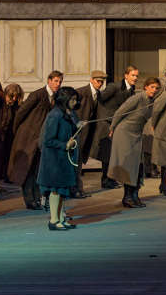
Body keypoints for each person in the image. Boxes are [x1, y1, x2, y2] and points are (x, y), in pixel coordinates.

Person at [8, 71, 62, 210]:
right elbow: (21, 113)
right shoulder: (37, 95)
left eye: (60, 81)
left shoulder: (56, 97)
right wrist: (19, 132)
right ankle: (30, 200)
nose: (58, 84)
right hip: (28, 137)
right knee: (27, 169)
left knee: (38, 169)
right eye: (55, 81)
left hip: (42, 138)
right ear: (49, 81)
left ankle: (37, 198)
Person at [108, 76, 161, 208]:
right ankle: (127, 197)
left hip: (136, 134)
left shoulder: (152, 101)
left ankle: (134, 195)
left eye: (156, 88)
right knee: (129, 165)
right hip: (125, 132)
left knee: (138, 165)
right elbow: (120, 112)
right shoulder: (137, 98)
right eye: (152, 87)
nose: (154, 90)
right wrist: (112, 128)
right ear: (146, 87)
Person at [37, 87, 81, 231]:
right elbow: (48, 140)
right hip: (53, 160)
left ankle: (61, 217)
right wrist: (65, 145)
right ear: (65, 100)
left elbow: (70, 131)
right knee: (55, 190)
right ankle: (54, 220)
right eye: (72, 99)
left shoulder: (67, 114)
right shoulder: (54, 115)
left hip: (62, 159)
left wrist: (78, 126)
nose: (75, 102)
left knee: (62, 190)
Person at [93, 66, 138, 189]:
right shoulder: (114, 86)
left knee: (114, 152)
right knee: (107, 152)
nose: (135, 78)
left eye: (136, 76)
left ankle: (111, 178)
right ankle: (106, 180)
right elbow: (101, 98)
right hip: (107, 123)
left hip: (118, 124)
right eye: (133, 75)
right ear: (126, 76)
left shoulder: (131, 90)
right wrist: (104, 118)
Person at [74, 70, 107, 198]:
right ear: (91, 80)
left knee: (79, 162)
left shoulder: (98, 94)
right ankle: (76, 189)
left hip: (87, 134)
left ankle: (77, 189)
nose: (100, 84)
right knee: (75, 163)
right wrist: (77, 123)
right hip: (78, 133)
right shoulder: (81, 92)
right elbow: (71, 110)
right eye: (98, 81)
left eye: (102, 82)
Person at [0, 84, 23, 183]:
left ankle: (7, 175)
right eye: (11, 96)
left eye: (16, 97)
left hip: (11, 134)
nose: (13, 99)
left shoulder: (16, 106)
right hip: (1, 134)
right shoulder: (1, 105)